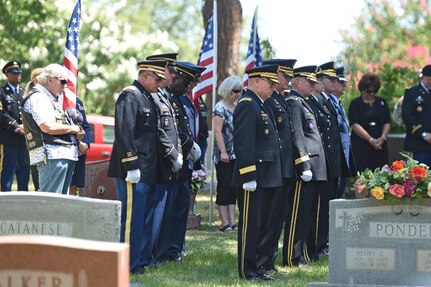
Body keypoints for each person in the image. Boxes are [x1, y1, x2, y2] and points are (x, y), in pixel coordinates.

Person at [107, 60, 168, 274]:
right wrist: (130, 163)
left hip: (147, 168)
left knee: (143, 217)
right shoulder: (130, 94)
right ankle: (128, 265)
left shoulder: (147, 97)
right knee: (132, 219)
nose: (160, 84)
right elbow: (124, 131)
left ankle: (139, 260)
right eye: (157, 79)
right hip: (133, 169)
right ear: (145, 75)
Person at [231, 64, 283, 281]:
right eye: (270, 84)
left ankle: (259, 266)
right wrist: (249, 175)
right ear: (257, 81)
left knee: (262, 225)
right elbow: (244, 144)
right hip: (253, 177)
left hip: (266, 176)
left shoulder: (261, 104)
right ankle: (247, 270)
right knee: (250, 227)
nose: (273, 88)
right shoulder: (247, 104)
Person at [155, 61, 202, 263]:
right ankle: (166, 250)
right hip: (171, 160)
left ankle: (175, 248)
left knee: (181, 206)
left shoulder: (180, 99)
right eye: (186, 83)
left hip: (183, 164)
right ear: (176, 78)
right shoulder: (169, 98)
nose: (188, 88)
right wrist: (189, 144)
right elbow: (173, 131)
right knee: (169, 210)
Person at [283, 65, 327, 267]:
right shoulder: (293, 101)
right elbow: (297, 134)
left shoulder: (305, 102)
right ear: (297, 81)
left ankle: (305, 254)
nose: (313, 85)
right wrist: (303, 164)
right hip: (306, 165)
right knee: (298, 214)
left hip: (316, 164)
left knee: (308, 213)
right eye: (309, 82)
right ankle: (292, 257)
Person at [306, 61, 349, 257]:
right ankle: (317, 243)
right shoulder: (313, 102)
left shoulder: (326, 102)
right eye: (329, 79)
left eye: (333, 79)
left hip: (331, 161)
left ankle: (323, 241)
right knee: (319, 207)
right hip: (320, 162)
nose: (331, 83)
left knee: (328, 205)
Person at [258, 58, 296, 273]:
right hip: (273, 168)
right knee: (269, 217)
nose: (288, 81)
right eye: (285, 76)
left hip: (284, 167)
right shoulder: (269, 101)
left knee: (277, 218)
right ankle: (262, 259)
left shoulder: (281, 100)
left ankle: (268, 260)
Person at [21, 63, 84, 194]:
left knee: (59, 205)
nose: (65, 86)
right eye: (62, 81)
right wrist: (73, 129)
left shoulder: (48, 98)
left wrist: (75, 133)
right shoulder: (38, 97)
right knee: (49, 204)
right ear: (50, 79)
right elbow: (47, 126)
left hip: (59, 155)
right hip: (51, 156)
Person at [145, 52, 183, 265]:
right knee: (153, 213)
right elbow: (158, 131)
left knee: (164, 213)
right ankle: (150, 254)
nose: (173, 76)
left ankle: (159, 253)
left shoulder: (164, 95)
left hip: (167, 163)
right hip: (158, 161)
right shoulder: (150, 95)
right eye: (170, 71)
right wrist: (172, 154)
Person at [213, 75, 242, 232]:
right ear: (227, 90)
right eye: (234, 91)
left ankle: (232, 221)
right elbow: (218, 131)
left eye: (239, 91)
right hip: (224, 155)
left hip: (236, 154)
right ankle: (224, 222)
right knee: (223, 187)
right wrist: (223, 151)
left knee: (233, 188)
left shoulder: (237, 106)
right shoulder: (220, 107)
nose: (237, 94)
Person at [349, 73, 390, 172]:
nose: (372, 94)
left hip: (380, 144)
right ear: (362, 90)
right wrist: (370, 140)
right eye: (369, 91)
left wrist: (382, 137)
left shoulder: (382, 102)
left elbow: (387, 122)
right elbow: (355, 124)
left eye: (374, 91)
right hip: (362, 145)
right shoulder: (355, 104)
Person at [0, 61, 30, 191]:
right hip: (9, 140)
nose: (17, 76)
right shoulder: (2, 92)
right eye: (14, 73)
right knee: (7, 173)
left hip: (24, 141)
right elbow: (1, 113)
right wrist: (16, 127)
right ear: (7, 74)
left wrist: (26, 126)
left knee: (24, 174)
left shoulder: (25, 92)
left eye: (19, 73)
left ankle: (23, 203)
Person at [331, 67, 355, 198]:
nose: (344, 85)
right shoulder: (328, 104)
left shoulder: (338, 104)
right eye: (341, 82)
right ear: (333, 84)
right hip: (336, 157)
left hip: (343, 157)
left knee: (340, 193)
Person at [402, 64, 431, 166]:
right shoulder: (411, 93)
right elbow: (407, 116)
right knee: (420, 176)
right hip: (419, 142)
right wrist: (423, 134)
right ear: (422, 77)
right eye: (429, 80)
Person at [23, 67, 44, 191]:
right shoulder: (35, 98)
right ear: (36, 80)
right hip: (38, 146)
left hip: (39, 147)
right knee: (41, 185)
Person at [69, 97, 91, 195]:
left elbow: (85, 126)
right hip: (65, 149)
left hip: (78, 153)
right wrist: (78, 143)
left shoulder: (76, 101)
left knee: (74, 185)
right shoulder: (53, 99)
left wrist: (85, 144)